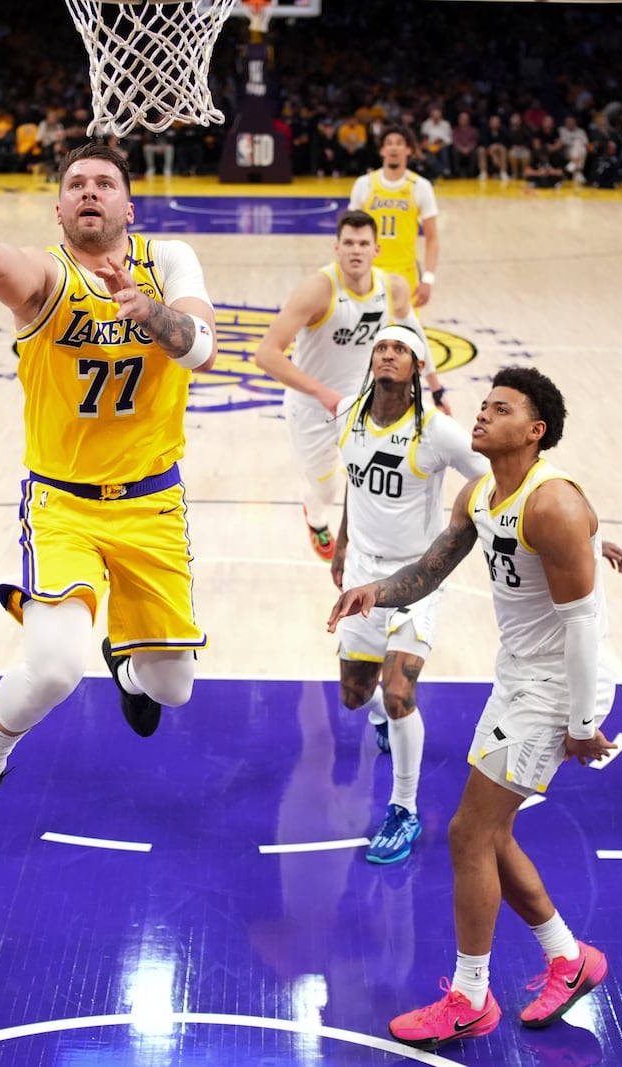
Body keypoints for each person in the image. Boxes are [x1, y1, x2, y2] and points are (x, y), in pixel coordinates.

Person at [0, 100, 219, 866]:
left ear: (129, 204)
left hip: (153, 503)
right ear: (59, 208)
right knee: (55, 666)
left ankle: (130, 655)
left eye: (104, 183)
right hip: (64, 506)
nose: (90, 191)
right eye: (77, 184)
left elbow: (202, 351)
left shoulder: (172, 261)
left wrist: (149, 310)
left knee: (174, 688)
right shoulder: (45, 279)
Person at [327, 365, 622, 1051]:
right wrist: (375, 589)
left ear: (535, 429)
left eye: (502, 407)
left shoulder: (552, 506)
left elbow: (584, 627)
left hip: (558, 687)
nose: (483, 414)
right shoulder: (482, 492)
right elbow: (431, 568)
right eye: (484, 403)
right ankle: (568, 958)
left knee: (467, 832)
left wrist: (581, 724)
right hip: (518, 676)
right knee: (490, 834)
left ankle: (470, 997)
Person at [326, 323, 491, 863]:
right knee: (357, 696)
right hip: (363, 576)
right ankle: (381, 720)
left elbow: (492, 475)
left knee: (399, 693)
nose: (389, 354)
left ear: (417, 366)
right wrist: (344, 542)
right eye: (382, 348)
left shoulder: (438, 432)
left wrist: (469, 530)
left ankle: (404, 810)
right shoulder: (348, 412)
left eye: (400, 349)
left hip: (417, 579)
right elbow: (356, 479)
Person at [255, 210, 449, 561]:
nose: (355, 250)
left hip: (365, 404)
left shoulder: (393, 287)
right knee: (326, 489)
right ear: (336, 248)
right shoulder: (318, 290)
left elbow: (415, 336)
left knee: (378, 475)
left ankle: (374, 544)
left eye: (363, 243)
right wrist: (322, 393)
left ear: (376, 249)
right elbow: (266, 355)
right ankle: (314, 518)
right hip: (313, 408)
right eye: (348, 243)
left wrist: (435, 386)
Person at [349, 126, 440, 309]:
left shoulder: (420, 186)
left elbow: (432, 238)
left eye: (399, 143)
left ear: (409, 150)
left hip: (405, 273)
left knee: (403, 336)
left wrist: (428, 279)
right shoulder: (364, 184)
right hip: (369, 271)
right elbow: (350, 233)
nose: (393, 148)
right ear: (382, 150)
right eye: (388, 144)